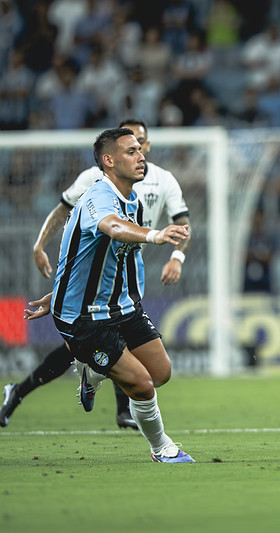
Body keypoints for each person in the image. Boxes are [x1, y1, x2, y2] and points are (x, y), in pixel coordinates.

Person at [1, 118, 191, 430]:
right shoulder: (96, 182)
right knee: (92, 348)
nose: (140, 149)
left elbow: (183, 224)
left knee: (136, 362)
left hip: (128, 275)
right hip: (93, 283)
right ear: (111, 157)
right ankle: (121, 409)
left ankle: (101, 384)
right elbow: (70, 212)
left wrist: (177, 256)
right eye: (131, 146)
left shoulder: (162, 180)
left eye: (142, 142)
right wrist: (39, 246)